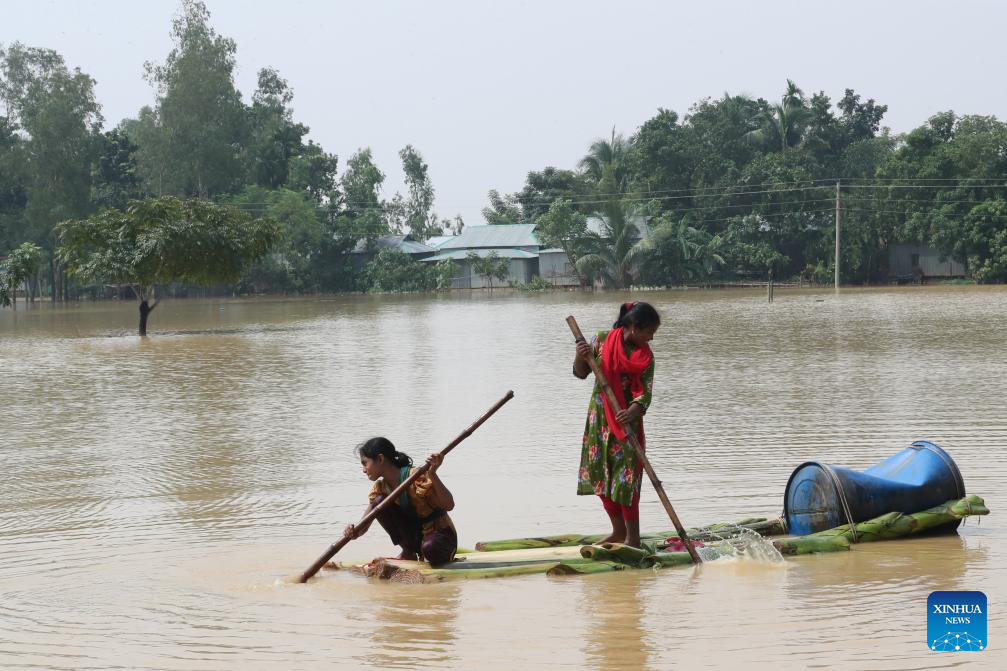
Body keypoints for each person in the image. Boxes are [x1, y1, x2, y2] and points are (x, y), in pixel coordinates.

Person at [572, 301, 660, 548]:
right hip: (600, 421)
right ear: (633, 327)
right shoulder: (600, 341)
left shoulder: (645, 356)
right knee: (600, 475)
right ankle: (618, 531)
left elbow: (645, 396)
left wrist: (630, 413)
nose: (651, 338)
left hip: (627, 425)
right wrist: (581, 356)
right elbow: (580, 373)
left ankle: (633, 539)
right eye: (649, 332)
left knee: (626, 480)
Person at [343, 437, 458, 566]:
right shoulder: (380, 488)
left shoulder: (417, 476)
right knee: (379, 501)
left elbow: (449, 505)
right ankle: (408, 552)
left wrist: (432, 474)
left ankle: (434, 555)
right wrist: (353, 532)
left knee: (430, 548)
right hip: (415, 538)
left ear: (380, 459)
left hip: (440, 537)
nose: (364, 470)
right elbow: (364, 525)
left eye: (365, 463)